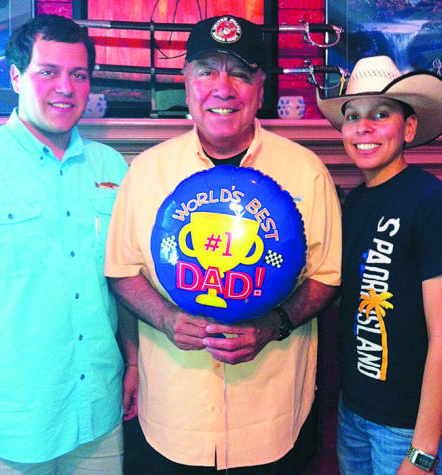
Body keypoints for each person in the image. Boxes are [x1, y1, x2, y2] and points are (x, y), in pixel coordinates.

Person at [105, 15, 342, 473]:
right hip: (175, 423)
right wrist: (167, 317)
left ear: (259, 87)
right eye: (206, 70)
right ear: (187, 82)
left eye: (239, 72)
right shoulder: (147, 171)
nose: (223, 87)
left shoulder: (306, 171)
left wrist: (273, 325)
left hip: (271, 423)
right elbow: (121, 270)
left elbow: (327, 277)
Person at [0, 14, 129, 474]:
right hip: (9, 418)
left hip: (99, 410)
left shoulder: (114, 168)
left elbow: (123, 281)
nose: (65, 87)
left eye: (78, 74)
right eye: (48, 71)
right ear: (16, 76)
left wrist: (134, 362)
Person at [316, 56, 442, 474]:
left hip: (407, 428)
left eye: (380, 114)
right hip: (355, 415)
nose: (362, 128)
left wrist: (422, 453)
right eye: (352, 116)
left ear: (409, 127)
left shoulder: (432, 202)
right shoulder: (352, 203)